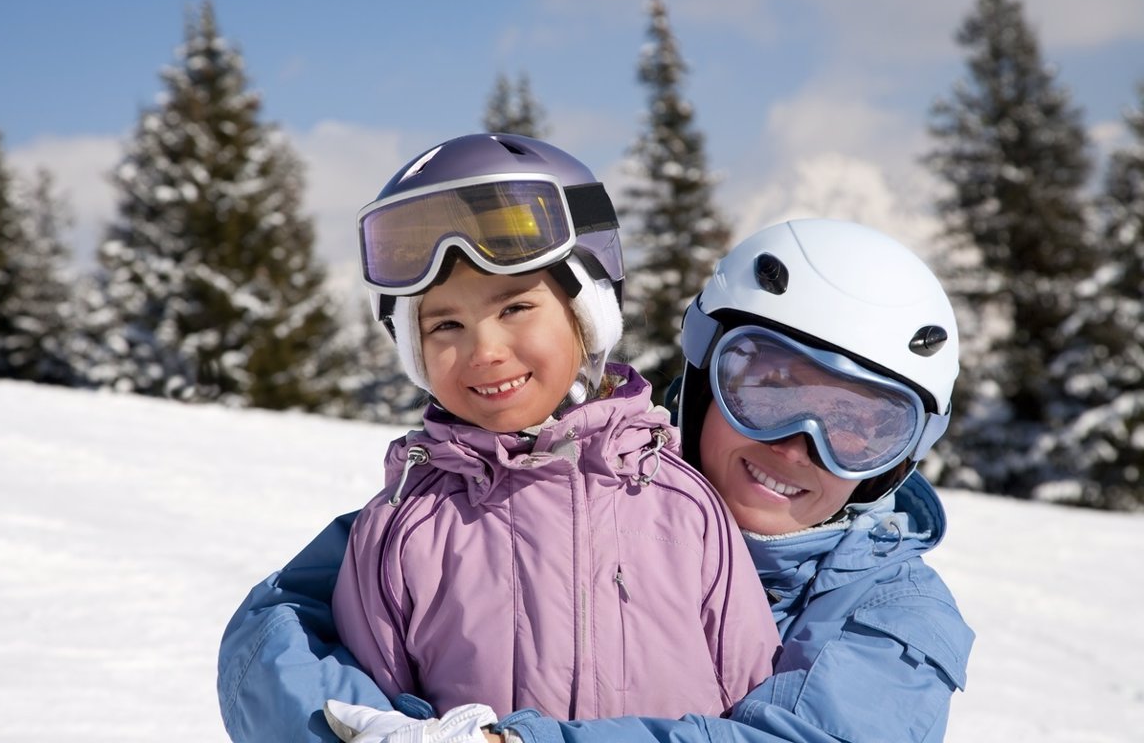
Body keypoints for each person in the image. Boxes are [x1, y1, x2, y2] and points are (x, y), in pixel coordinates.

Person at [218, 216, 974, 742]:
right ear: (706, 379)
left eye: (859, 425)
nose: (797, 446)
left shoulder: (891, 610)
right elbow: (276, 633)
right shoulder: (521, 503)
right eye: (767, 391)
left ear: (898, 459)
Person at [307, 133, 778, 732]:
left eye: (515, 309)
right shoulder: (403, 533)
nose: (484, 351)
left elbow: (755, 714)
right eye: (445, 324)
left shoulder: (684, 508)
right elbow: (384, 712)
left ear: (589, 315)